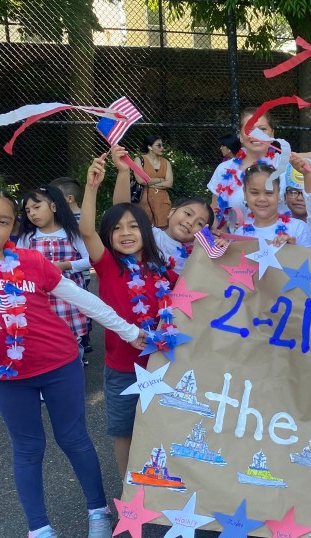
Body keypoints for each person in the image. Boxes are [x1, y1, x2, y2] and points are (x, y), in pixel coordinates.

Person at [0, 185, 144, 538]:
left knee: (74, 438)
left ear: (12, 229)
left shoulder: (30, 261)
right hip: (9, 377)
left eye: (3, 221)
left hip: (60, 365)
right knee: (27, 448)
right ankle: (39, 533)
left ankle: (99, 511)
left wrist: (126, 330)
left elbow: (83, 298)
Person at [80, 153, 176, 481]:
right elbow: (87, 231)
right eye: (117, 228)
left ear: (146, 231)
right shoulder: (108, 266)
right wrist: (92, 188)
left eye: (134, 226)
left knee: (164, 427)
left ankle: (162, 483)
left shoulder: (164, 269)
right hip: (122, 367)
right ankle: (128, 488)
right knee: (124, 431)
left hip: (163, 363)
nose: (126, 232)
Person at [209, 83, 311, 228]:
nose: (255, 135)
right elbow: (215, 214)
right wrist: (209, 237)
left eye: (262, 129)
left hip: (283, 244)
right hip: (241, 246)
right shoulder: (224, 170)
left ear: (272, 134)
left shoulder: (289, 163)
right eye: (249, 129)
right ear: (240, 136)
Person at [111, 147, 214, 273]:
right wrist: (123, 172)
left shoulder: (197, 252)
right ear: (171, 212)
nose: (190, 222)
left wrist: (210, 239)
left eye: (200, 223)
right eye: (188, 214)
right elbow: (122, 211)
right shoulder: (151, 235)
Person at [16, 186, 92, 354]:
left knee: (73, 343)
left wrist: (66, 266)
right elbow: (16, 265)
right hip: (39, 299)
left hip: (69, 299)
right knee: (44, 341)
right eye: (28, 211)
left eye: (37, 207)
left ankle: (74, 371)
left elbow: (90, 259)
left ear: (54, 207)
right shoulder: (27, 238)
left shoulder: (72, 233)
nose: (32, 214)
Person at [236, 163, 311, 247]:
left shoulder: (299, 228)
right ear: (245, 194)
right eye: (254, 193)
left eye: (269, 193)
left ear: (278, 193)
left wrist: (293, 249)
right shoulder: (239, 234)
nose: (262, 199)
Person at [134, 135, 173, 227]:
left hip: (162, 201)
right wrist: (160, 180)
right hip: (144, 200)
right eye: (158, 145)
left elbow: (169, 183)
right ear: (150, 147)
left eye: (162, 145)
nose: (162, 148)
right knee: (145, 228)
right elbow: (141, 180)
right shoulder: (139, 160)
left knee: (164, 227)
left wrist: (149, 183)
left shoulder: (166, 162)